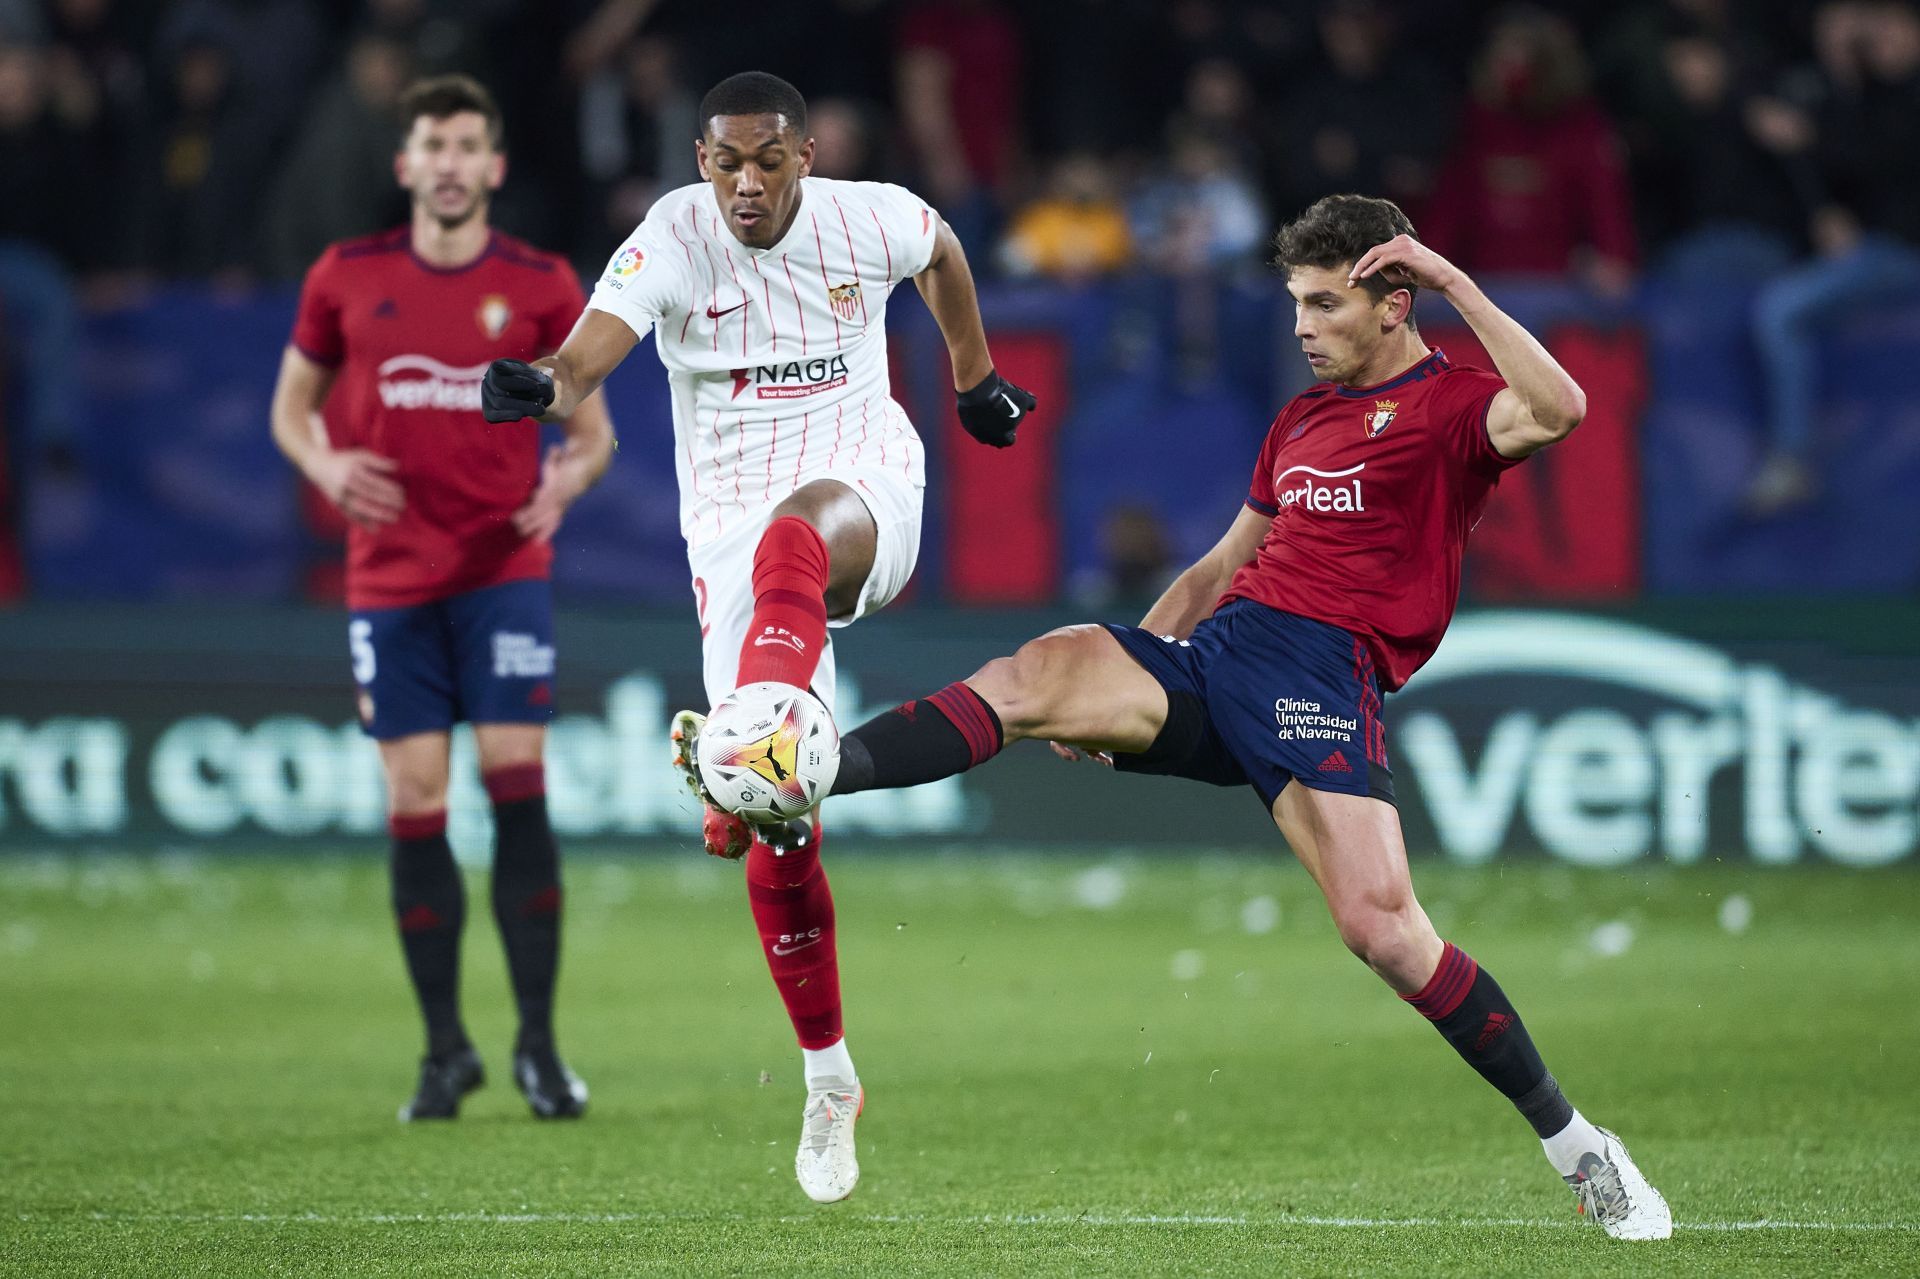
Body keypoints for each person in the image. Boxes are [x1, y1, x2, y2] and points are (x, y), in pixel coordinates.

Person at [691, 194, 1674, 1240]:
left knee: (1384, 934)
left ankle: (1581, 1148)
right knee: (1042, 670)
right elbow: (1218, 567)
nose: (1302, 325)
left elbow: (1563, 408)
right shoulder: (1299, 420)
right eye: (1296, 300)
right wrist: (1140, 659)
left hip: (1322, 681)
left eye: (1327, 303)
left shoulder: (1455, 407)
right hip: (1219, 658)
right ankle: (804, 763)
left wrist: (1458, 283)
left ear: (1397, 302)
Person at [478, 71, 1035, 1203]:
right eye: (725, 161)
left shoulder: (865, 215)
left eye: (767, 159)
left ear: (806, 157)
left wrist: (972, 382)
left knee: (795, 544)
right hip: (729, 544)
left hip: (863, 489)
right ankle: (829, 1078)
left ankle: (743, 749)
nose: (745, 181)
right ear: (700, 162)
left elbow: (942, 253)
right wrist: (541, 386)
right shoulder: (674, 237)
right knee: (787, 828)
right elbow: (592, 349)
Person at [269, 74, 615, 1123]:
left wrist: (565, 481)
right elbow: (291, 410)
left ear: (495, 166)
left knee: (518, 783)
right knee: (416, 799)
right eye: (436, 144)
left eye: (471, 144)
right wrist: (328, 472)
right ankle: (443, 1052)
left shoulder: (545, 284)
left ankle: (541, 1051)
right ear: (407, 163)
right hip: (389, 581)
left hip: (501, 574)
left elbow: (593, 437)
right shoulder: (345, 276)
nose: (453, 162)